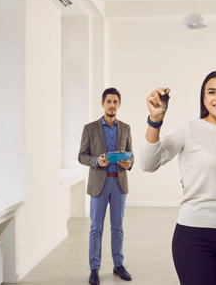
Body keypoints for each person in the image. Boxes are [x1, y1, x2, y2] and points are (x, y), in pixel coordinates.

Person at [139, 70, 216, 285]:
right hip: (195, 233)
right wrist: (155, 121)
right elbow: (147, 164)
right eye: (212, 92)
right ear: (204, 99)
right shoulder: (189, 128)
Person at [78, 87, 134, 285]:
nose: (112, 105)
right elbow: (82, 156)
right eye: (108, 101)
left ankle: (118, 265)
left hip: (118, 183)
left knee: (117, 227)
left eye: (115, 101)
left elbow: (130, 154)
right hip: (99, 184)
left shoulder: (126, 128)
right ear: (102, 104)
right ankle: (94, 268)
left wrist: (129, 163)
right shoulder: (90, 128)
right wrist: (96, 161)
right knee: (96, 228)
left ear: (119, 104)